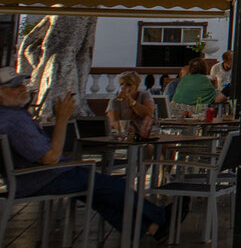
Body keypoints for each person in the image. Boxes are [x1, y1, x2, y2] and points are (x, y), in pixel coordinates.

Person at [0, 68, 171, 244]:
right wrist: (62, 119)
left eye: (21, 83)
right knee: (114, 187)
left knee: (100, 196)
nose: (22, 88)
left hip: (37, 176)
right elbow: (50, 158)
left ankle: (153, 228)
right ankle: (162, 217)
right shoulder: (13, 120)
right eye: (14, 86)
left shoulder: (12, 115)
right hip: (44, 177)